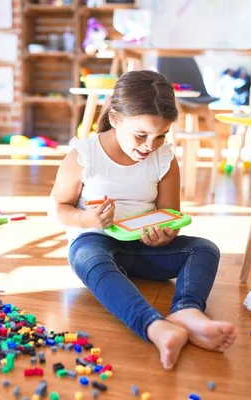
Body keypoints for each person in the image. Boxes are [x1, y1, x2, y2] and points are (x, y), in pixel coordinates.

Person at [50, 70, 236, 369]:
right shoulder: (84, 155)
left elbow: (168, 216)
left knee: (205, 249)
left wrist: (165, 235)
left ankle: (187, 310)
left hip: (141, 247)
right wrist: (87, 219)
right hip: (95, 241)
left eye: (160, 135)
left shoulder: (164, 158)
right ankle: (154, 326)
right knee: (87, 256)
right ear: (115, 118)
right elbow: (59, 208)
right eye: (141, 135)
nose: (150, 145)